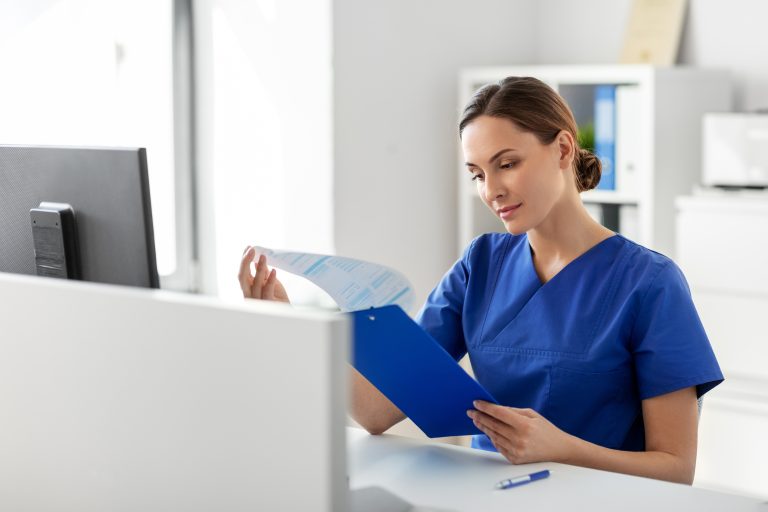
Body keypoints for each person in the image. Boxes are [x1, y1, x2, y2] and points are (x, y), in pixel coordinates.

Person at [238, 76, 723, 485]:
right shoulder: (481, 263)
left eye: (507, 164)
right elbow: (376, 411)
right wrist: (290, 324)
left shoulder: (650, 283)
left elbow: (676, 468)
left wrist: (560, 448)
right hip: (486, 494)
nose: (491, 190)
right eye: (477, 173)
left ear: (562, 148)